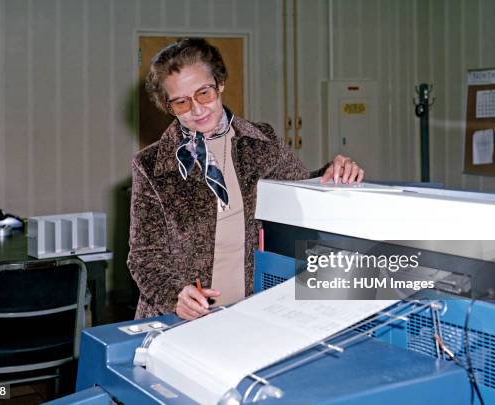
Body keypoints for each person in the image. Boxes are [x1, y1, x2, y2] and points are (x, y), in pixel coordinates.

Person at [127, 38, 364, 320]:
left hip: (250, 313)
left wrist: (334, 171)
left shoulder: (260, 142)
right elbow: (144, 256)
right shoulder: (151, 165)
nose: (197, 109)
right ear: (168, 106)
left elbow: (299, 188)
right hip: (181, 319)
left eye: (204, 93)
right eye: (181, 102)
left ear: (220, 84)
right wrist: (175, 295)